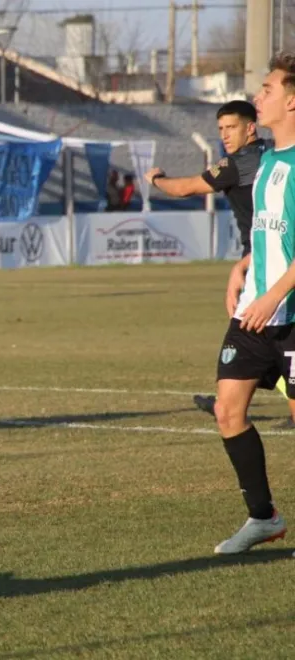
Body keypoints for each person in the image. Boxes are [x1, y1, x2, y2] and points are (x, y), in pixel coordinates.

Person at [143, 101, 295, 427]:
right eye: (221, 129)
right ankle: (238, 395)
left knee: (263, 334)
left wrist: (157, 178)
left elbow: (185, 188)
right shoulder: (270, 155)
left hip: (267, 267)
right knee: (265, 337)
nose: (225, 135)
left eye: (231, 127)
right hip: (259, 260)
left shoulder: (240, 163)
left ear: (250, 127)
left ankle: (242, 394)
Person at [205, 52, 295, 555]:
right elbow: (268, 233)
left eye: (266, 89)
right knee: (226, 409)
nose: (257, 97)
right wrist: (242, 270)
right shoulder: (266, 164)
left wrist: (276, 293)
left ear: (291, 100)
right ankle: (264, 518)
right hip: (256, 313)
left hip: (288, 313)